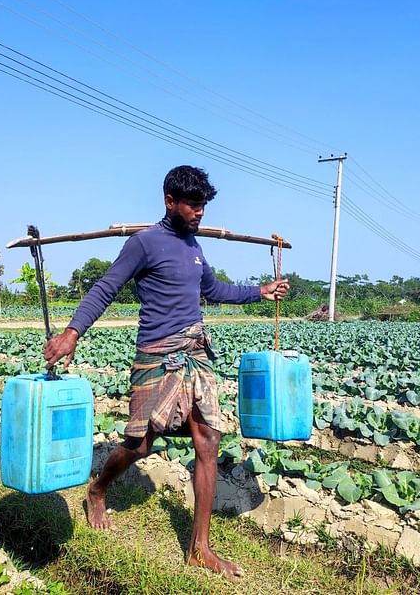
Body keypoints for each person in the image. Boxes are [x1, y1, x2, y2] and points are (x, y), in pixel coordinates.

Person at [43, 165, 289, 579]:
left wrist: (258, 292)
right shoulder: (144, 243)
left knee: (208, 439)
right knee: (140, 446)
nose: (199, 213)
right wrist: (72, 333)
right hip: (157, 355)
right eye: (192, 205)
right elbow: (105, 288)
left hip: (195, 352)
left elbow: (213, 290)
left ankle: (199, 548)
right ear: (169, 202)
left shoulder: (194, 246)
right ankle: (98, 490)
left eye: (203, 206)